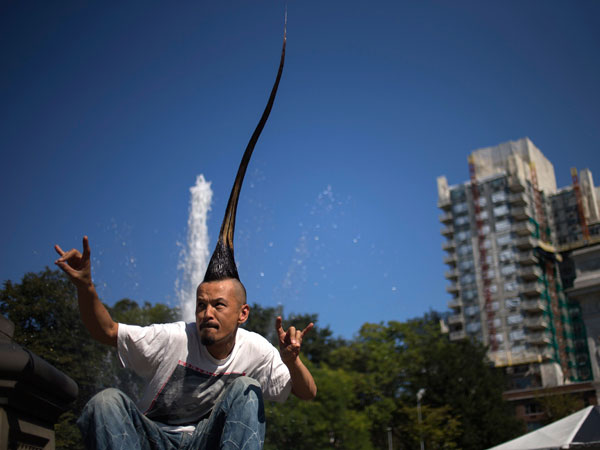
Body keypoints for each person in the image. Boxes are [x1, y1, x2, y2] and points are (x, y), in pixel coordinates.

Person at [55, 236, 317, 450]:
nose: (207, 314)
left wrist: (292, 361)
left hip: (206, 442)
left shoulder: (255, 349)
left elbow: (307, 393)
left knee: (247, 388)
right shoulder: (174, 337)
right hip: (153, 439)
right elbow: (108, 331)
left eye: (218, 305)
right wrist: (86, 287)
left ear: (243, 314)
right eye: (201, 305)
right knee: (105, 402)